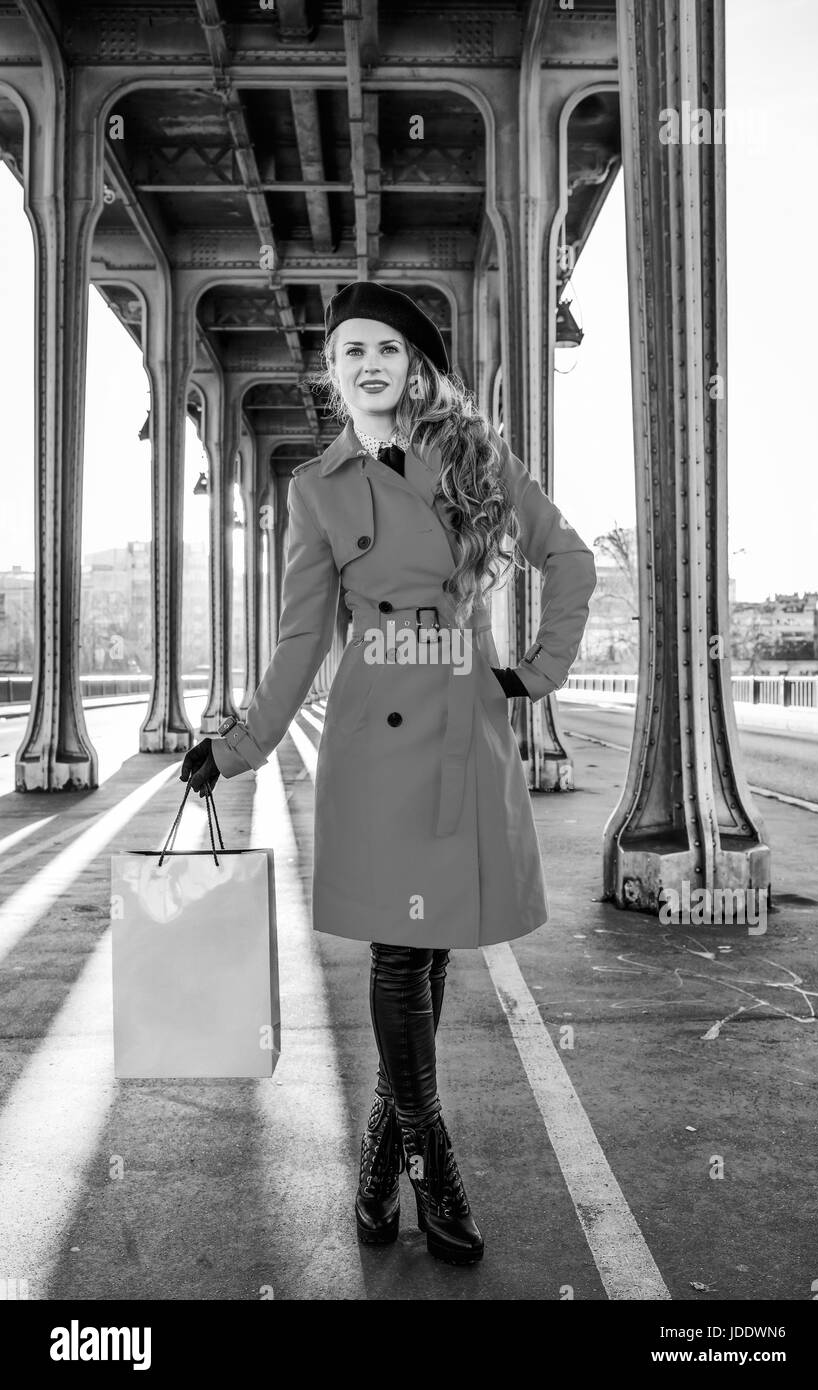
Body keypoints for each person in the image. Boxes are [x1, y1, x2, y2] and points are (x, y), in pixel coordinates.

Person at [180, 281, 596, 1267]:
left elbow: (569, 560)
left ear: (416, 365)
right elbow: (296, 644)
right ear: (334, 373)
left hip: (461, 718)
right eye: (348, 351)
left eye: (385, 348)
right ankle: (427, 1154)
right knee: (398, 952)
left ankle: (381, 1143)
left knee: (430, 942)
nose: (366, 364)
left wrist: (532, 677)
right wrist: (237, 743)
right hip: (375, 727)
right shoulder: (316, 487)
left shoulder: (478, 458)